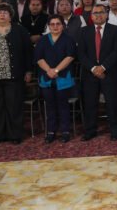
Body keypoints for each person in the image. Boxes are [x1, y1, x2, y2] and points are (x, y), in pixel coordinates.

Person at [0, 3, 33, 145]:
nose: (2, 14)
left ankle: (15, 134)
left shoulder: (20, 31)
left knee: (14, 106)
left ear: (10, 16)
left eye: (5, 12)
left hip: (14, 75)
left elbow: (28, 52)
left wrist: (28, 70)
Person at [78, 4, 117, 141]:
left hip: (109, 72)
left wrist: (102, 67)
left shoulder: (116, 30)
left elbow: (116, 52)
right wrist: (94, 68)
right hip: (90, 74)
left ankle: (114, 130)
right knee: (90, 103)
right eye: (95, 13)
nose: (98, 15)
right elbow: (81, 54)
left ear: (106, 14)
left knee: (112, 103)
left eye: (101, 12)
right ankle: (90, 130)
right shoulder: (84, 31)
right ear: (91, 16)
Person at [35, 15, 77, 144]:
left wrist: (56, 70)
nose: (55, 26)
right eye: (52, 24)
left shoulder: (68, 39)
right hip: (46, 78)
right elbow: (38, 58)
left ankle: (65, 131)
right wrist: (49, 71)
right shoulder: (42, 40)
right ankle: (51, 132)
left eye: (58, 24)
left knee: (63, 105)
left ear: (62, 26)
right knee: (50, 106)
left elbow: (70, 57)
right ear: (48, 26)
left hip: (63, 77)